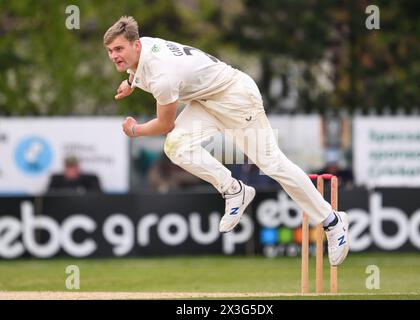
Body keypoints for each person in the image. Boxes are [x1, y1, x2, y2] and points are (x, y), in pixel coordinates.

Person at [103, 16, 349, 266]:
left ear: (135, 45)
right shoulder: (144, 46)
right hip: (206, 102)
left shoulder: (162, 75)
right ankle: (234, 190)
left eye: (119, 49)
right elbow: (140, 69)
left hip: (235, 98)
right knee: (176, 146)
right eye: (110, 50)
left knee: (273, 165)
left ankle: (332, 221)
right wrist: (130, 82)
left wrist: (135, 130)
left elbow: (165, 124)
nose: (114, 56)